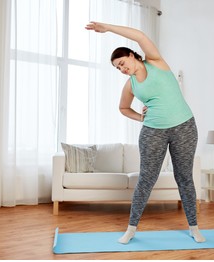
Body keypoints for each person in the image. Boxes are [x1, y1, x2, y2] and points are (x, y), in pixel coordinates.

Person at [85, 22, 206, 244]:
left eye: (122, 63)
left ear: (132, 56)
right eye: (118, 68)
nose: (122, 69)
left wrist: (108, 29)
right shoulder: (130, 85)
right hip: (152, 132)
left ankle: (194, 227)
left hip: (184, 127)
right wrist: (141, 117)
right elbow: (123, 108)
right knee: (147, 179)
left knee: (184, 178)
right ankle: (131, 229)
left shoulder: (156, 62)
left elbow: (140, 35)